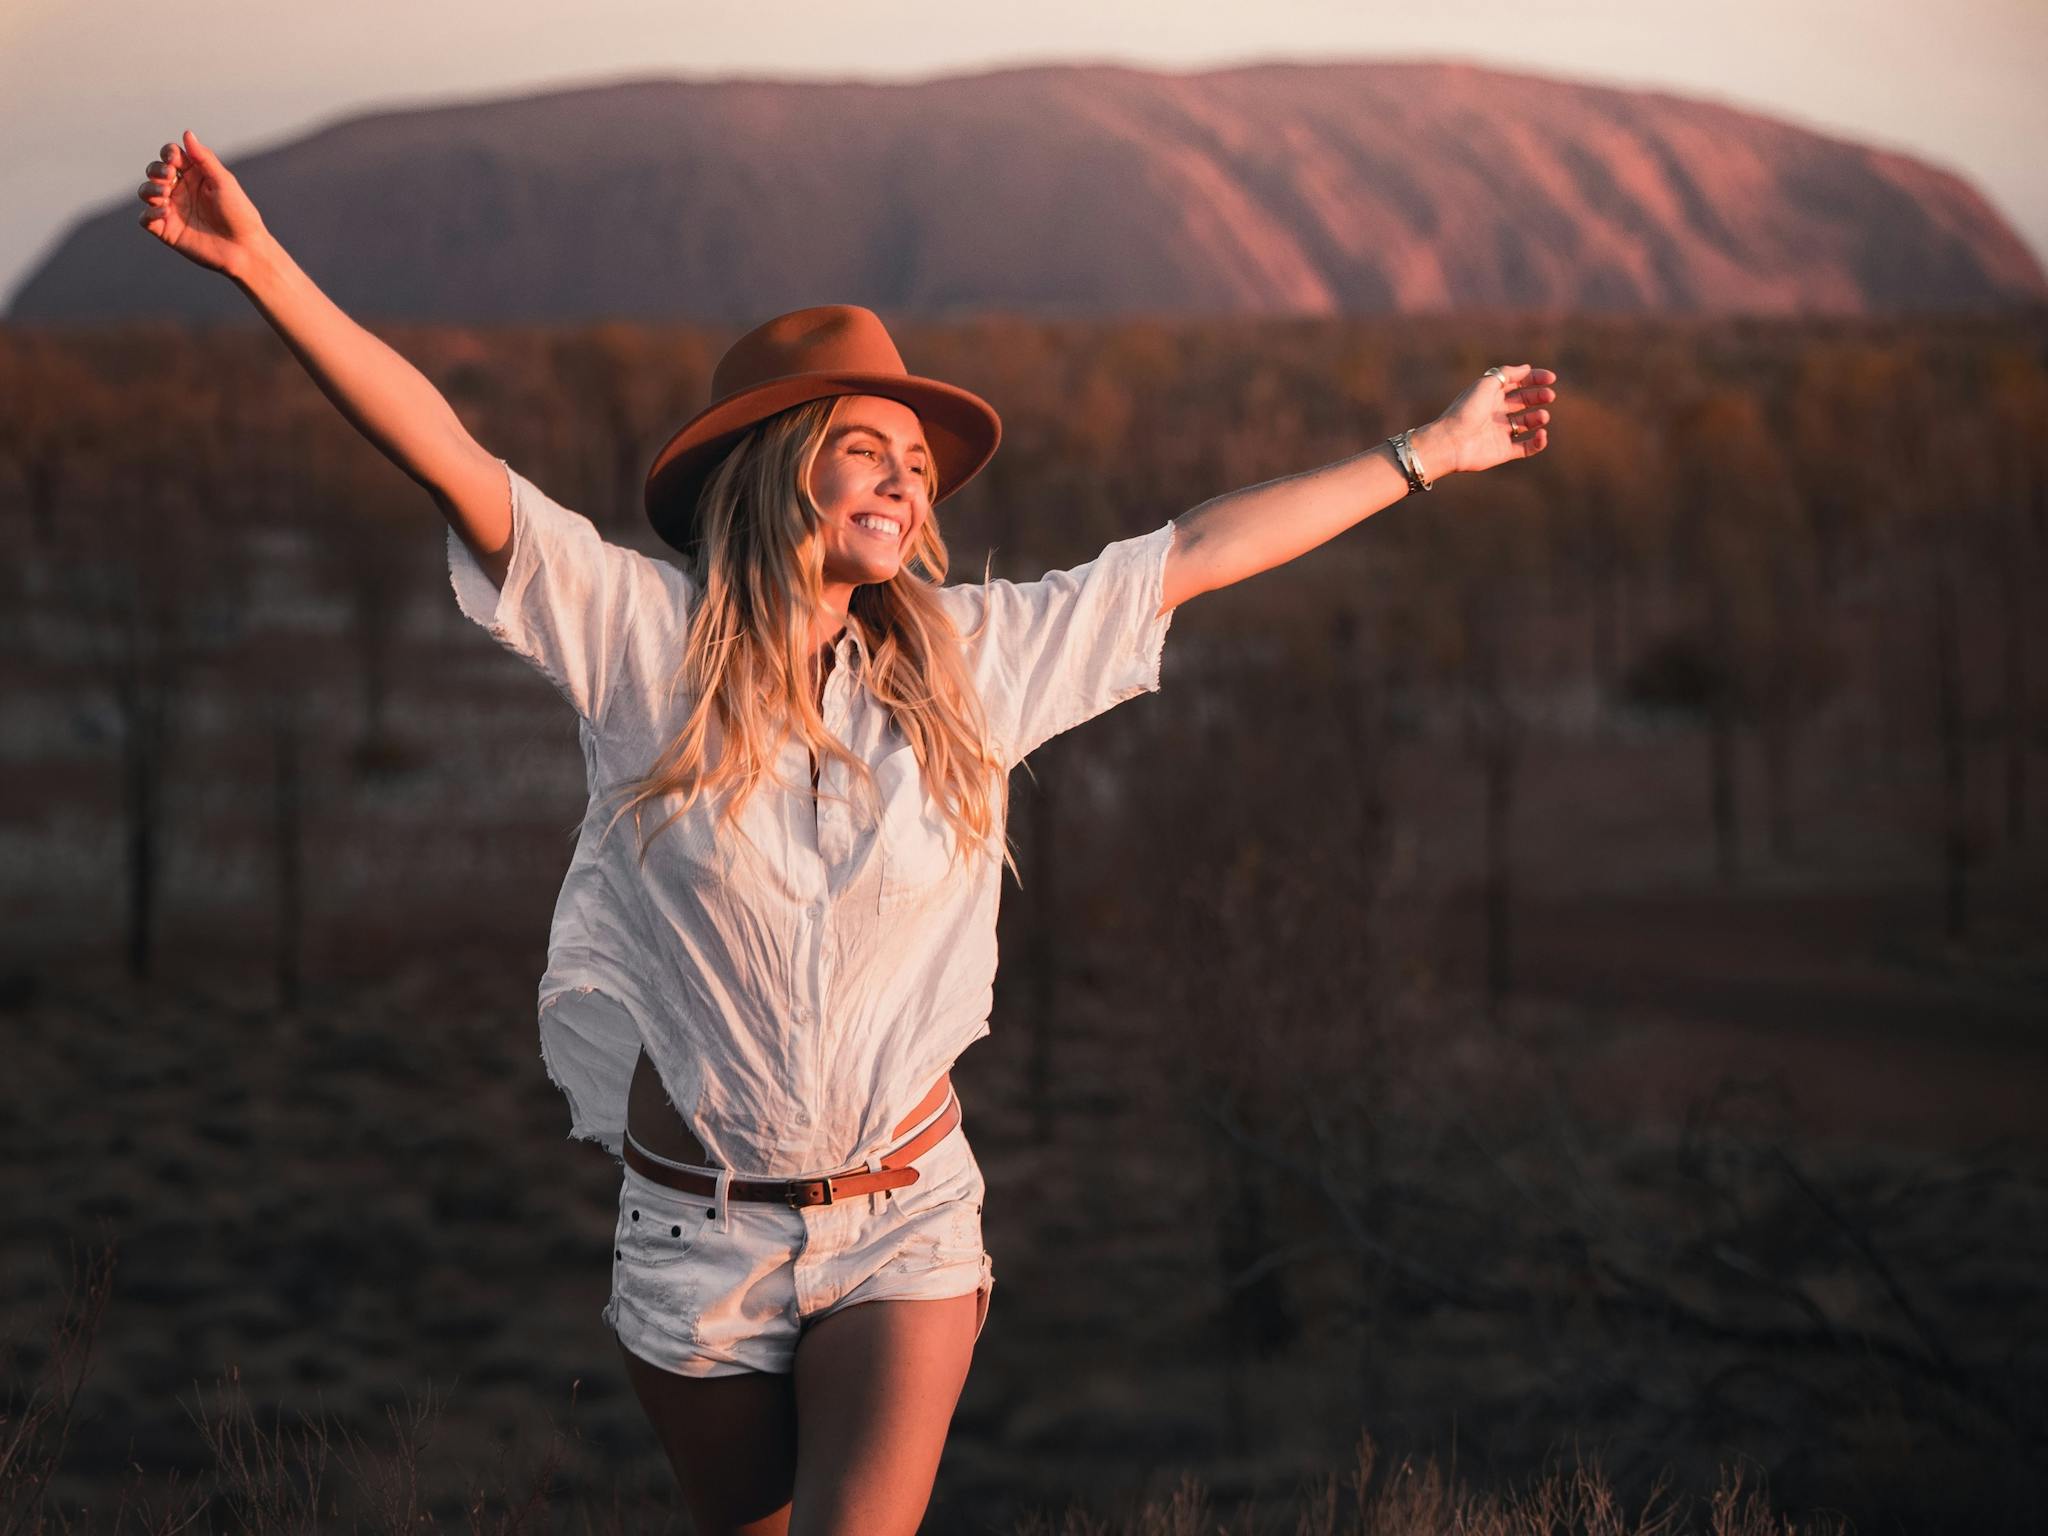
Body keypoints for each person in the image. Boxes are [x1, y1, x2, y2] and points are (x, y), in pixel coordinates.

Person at [138, 127, 1556, 1536]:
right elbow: (445, 452)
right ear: (774, 468)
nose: (906, 480)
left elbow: (1190, 554)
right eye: (864, 450)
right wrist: (259, 262)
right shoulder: (642, 645)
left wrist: (1427, 452)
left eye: (919, 467)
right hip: (696, 1241)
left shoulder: (969, 663)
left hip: (903, 1218)